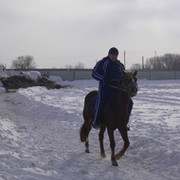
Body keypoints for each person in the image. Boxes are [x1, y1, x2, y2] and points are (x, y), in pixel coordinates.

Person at [92, 47, 133, 130]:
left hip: (118, 88)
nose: (113, 56)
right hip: (106, 87)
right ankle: (97, 121)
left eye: (115, 55)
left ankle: (125, 122)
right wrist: (103, 78)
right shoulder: (103, 62)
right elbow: (94, 73)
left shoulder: (120, 65)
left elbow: (124, 76)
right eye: (112, 55)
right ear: (109, 54)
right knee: (102, 100)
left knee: (130, 102)